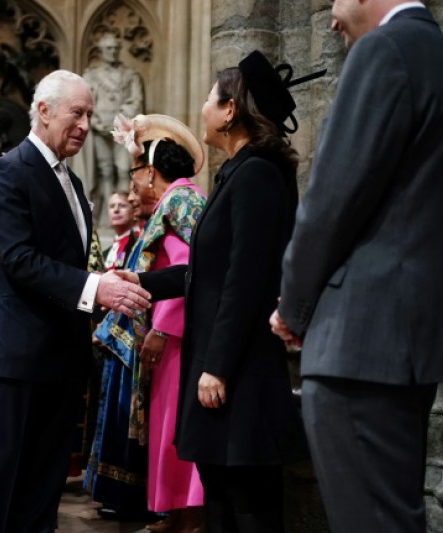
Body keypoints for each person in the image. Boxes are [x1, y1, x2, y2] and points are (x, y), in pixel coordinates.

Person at [269, 2, 443, 531]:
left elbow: (331, 202)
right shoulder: (442, 58)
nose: (333, 20)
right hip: (402, 340)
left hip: (358, 345)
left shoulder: (383, 51)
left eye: (336, 0)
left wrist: (292, 308)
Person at [127, 51, 314, 532]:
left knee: (248, 507)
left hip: (240, 372)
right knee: (225, 505)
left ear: (231, 111)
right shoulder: (238, 172)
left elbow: (246, 279)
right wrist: (140, 281)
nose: (203, 108)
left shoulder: (256, 175)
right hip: (226, 369)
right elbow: (206, 271)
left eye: (211, 98)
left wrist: (217, 367)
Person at [0, 69, 151, 533]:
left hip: (59, 357)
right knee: (5, 481)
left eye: (90, 115)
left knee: (45, 487)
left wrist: (104, 284)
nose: (86, 124)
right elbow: (16, 257)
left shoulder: (70, 181)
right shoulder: (8, 171)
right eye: (78, 112)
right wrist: (96, 289)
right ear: (44, 110)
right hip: (16, 357)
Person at [90, 115, 207, 532]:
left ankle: (188, 516)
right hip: (165, 338)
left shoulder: (182, 200)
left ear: (151, 171)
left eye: (135, 172)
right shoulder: (173, 200)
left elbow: (192, 269)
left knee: (176, 427)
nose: (133, 182)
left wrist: (162, 329)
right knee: (164, 428)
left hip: (175, 338)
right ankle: (172, 512)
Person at [82, 33, 145, 227]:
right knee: (105, 171)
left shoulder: (130, 75)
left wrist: (119, 120)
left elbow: (136, 101)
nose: (113, 52)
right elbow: (84, 101)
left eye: (116, 48)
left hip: (122, 129)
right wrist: (96, 121)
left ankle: (127, 214)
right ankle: (107, 218)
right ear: (100, 50)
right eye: (109, 48)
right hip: (99, 128)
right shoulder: (91, 76)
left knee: (124, 169)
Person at [103, 190, 139, 271]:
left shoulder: (139, 242)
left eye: (122, 206)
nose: (116, 210)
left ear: (134, 213)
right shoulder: (107, 252)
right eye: (112, 206)